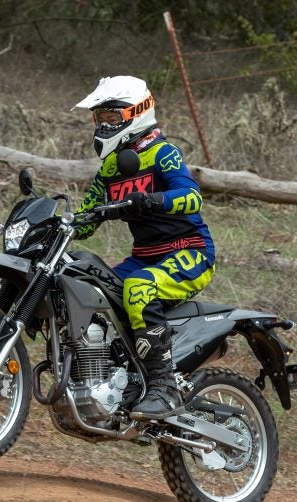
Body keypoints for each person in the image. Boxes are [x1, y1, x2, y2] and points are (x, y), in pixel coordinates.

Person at [73, 75, 215, 420]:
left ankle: (164, 386)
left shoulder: (163, 154)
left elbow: (192, 197)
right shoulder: (110, 167)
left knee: (137, 290)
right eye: (100, 118)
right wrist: (58, 221)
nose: (104, 125)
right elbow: (87, 218)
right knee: (84, 285)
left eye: (111, 117)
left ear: (136, 113)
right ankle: (113, 376)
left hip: (189, 252)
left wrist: (152, 199)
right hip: (144, 258)